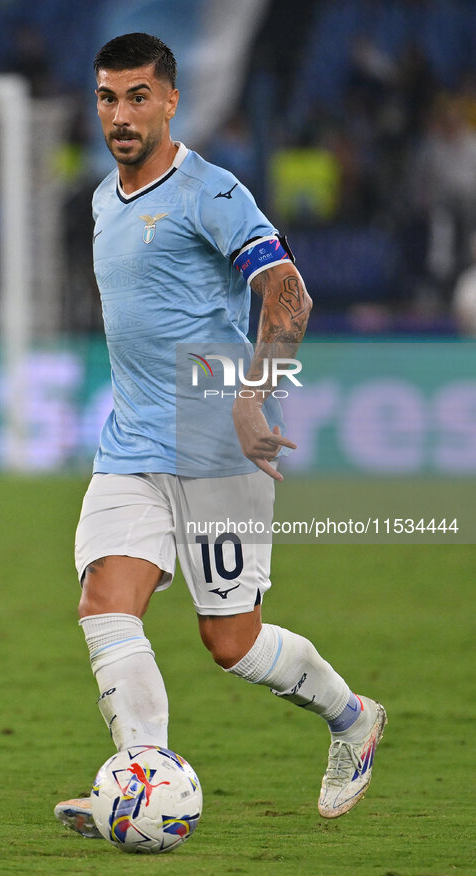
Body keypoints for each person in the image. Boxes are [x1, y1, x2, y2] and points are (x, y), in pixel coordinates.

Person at [54, 32, 386, 835]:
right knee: (106, 603)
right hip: (131, 444)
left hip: (214, 449)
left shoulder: (212, 191)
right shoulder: (104, 197)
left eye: (138, 96)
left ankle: (352, 720)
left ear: (171, 100)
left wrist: (252, 397)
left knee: (230, 641)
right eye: (107, 97)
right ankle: (139, 781)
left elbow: (289, 294)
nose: (121, 114)